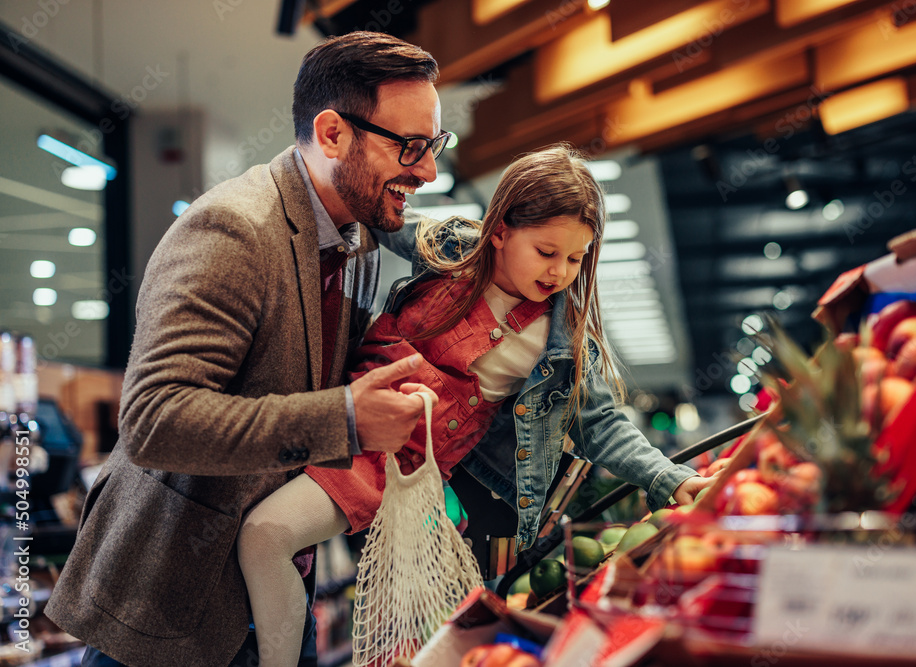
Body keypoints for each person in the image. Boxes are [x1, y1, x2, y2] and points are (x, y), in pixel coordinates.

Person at [43, 31, 447, 667]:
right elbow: (154, 419)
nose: (427, 170)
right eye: (412, 147)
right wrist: (343, 416)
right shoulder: (234, 228)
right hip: (175, 608)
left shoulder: (356, 239)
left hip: (275, 595)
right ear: (333, 133)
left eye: (434, 146)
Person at [238, 144, 714, 666]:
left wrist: (669, 478)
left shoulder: (560, 340)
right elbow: (377, 213)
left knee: (267, 538)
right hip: (335, 414)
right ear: (501, 230)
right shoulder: (451, 249)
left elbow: (600, 423)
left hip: (392, 469)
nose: (560, 272)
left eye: (576, 259)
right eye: (547, 251)